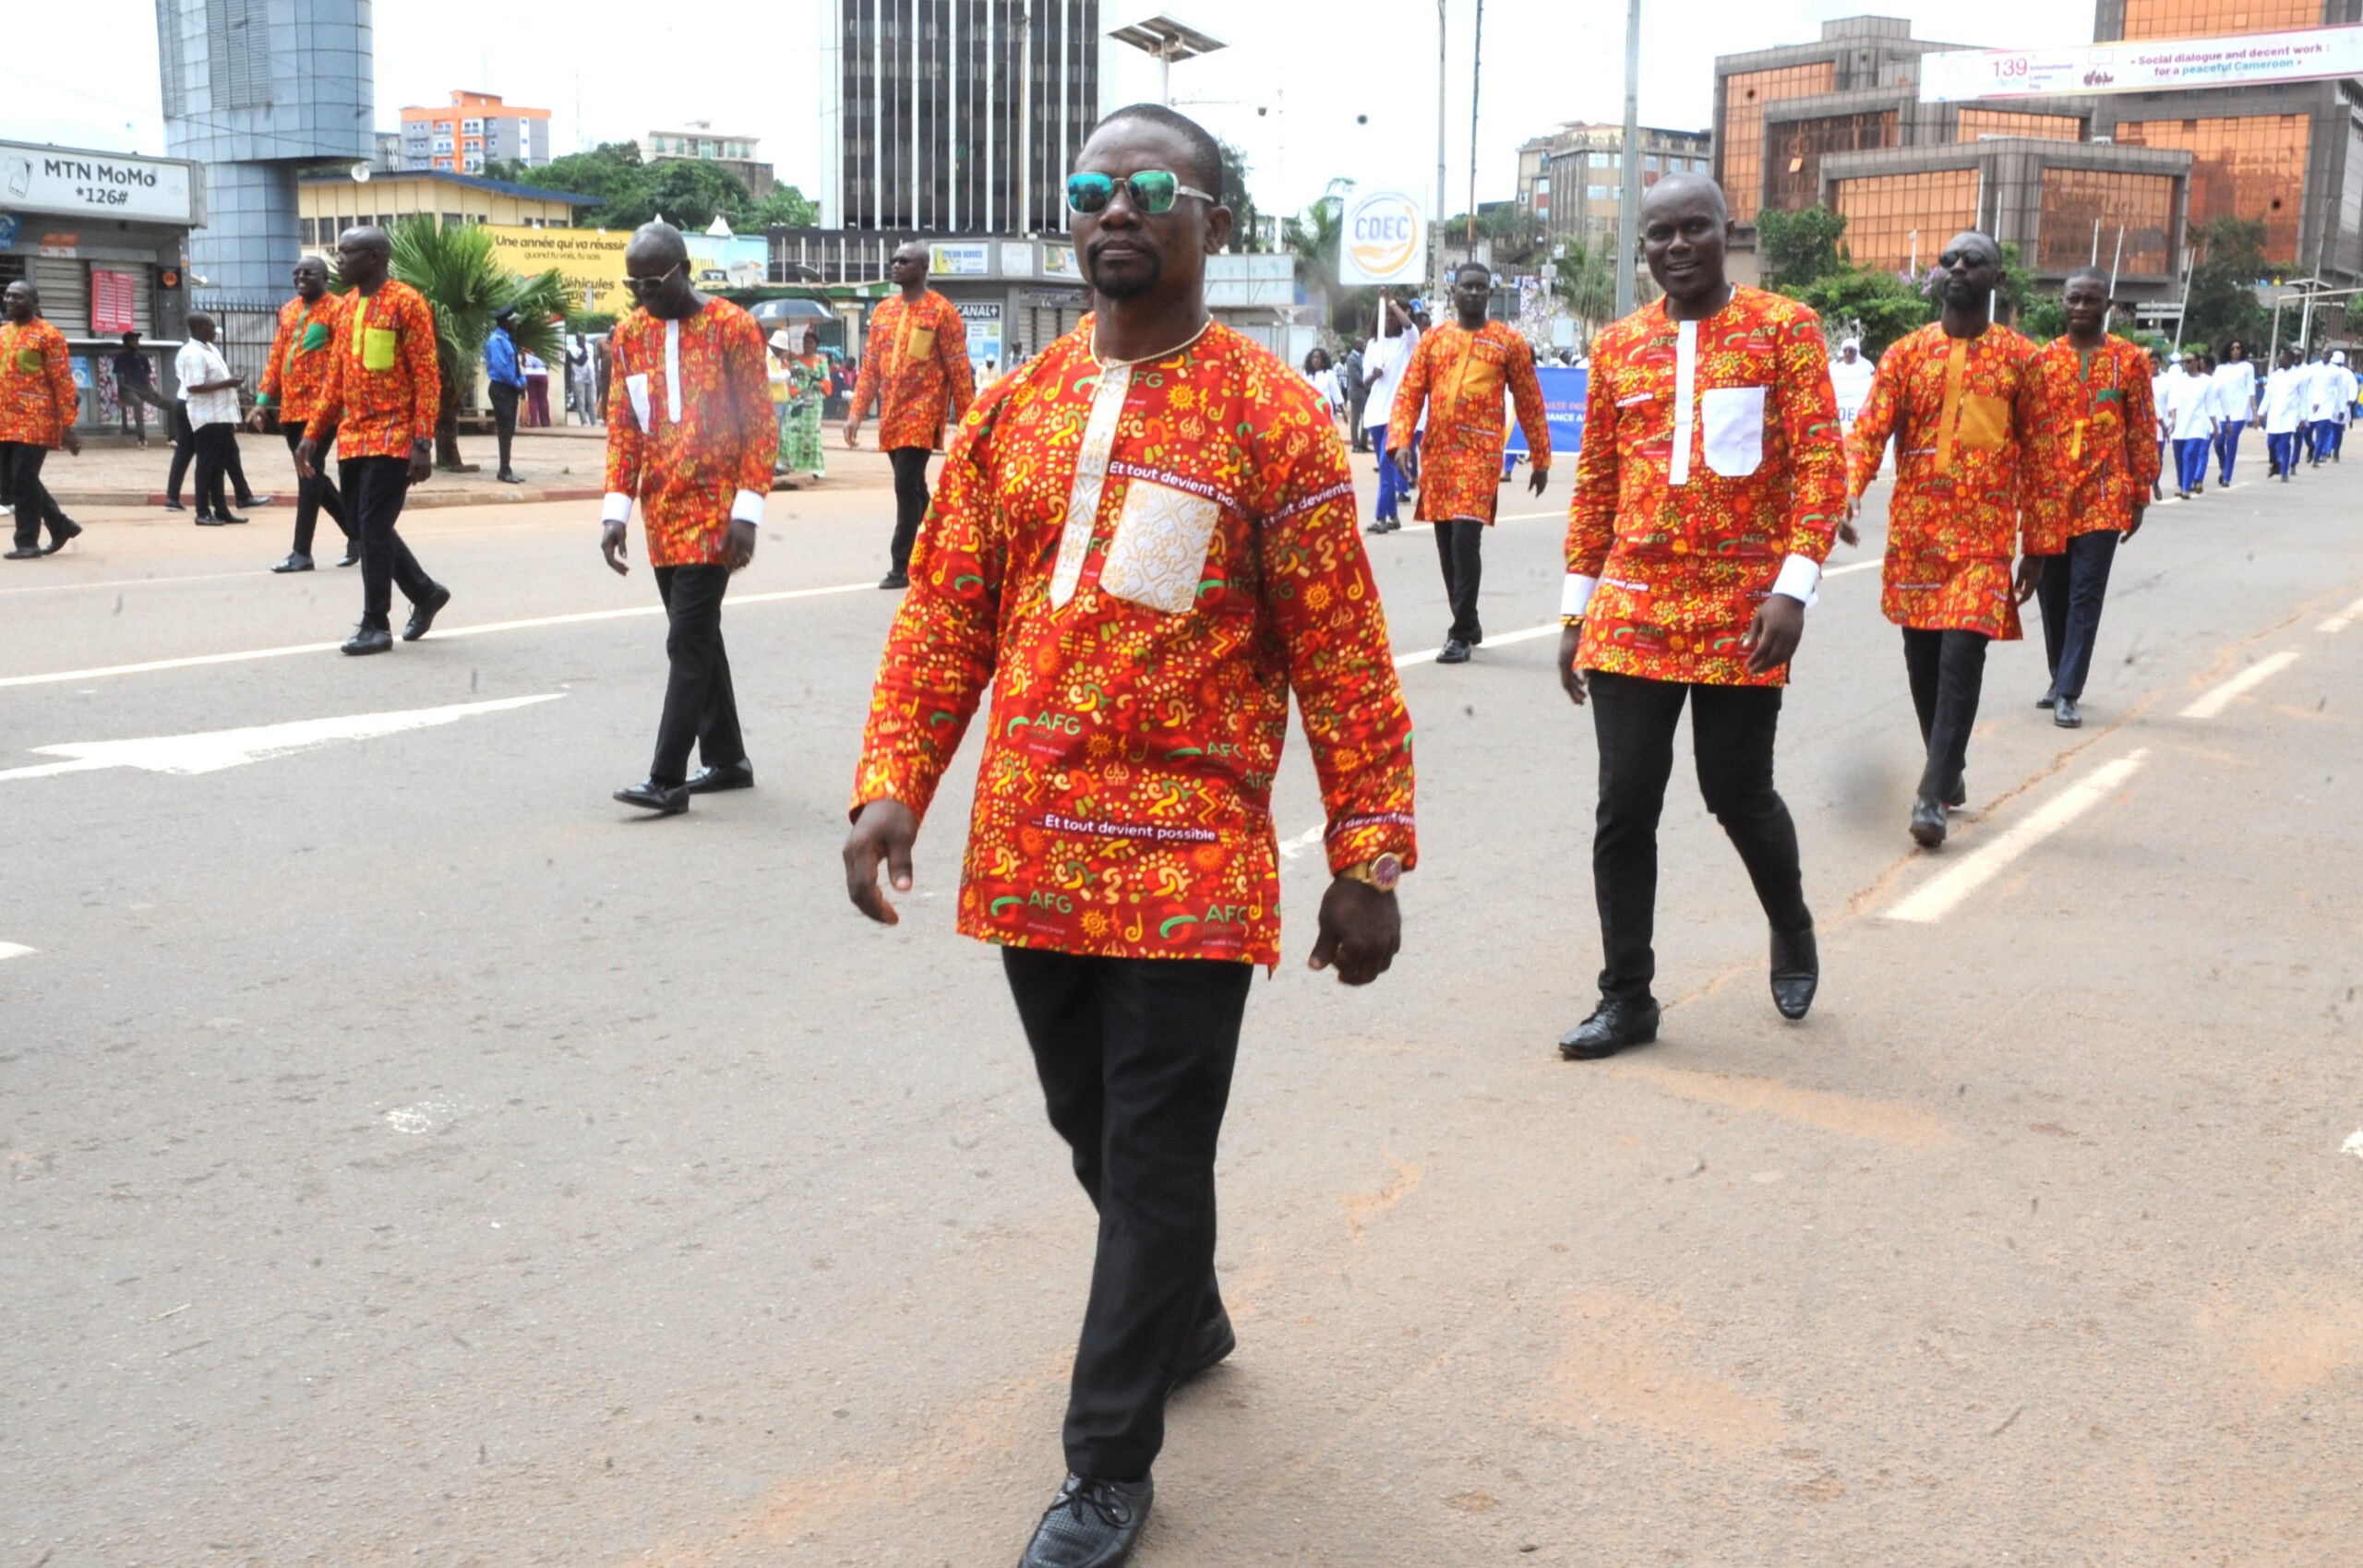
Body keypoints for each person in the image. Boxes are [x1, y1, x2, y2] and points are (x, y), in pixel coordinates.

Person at [843, 103, 1415, 1568]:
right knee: (1089, 1125)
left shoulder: (1271, 417)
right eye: (1094, 186)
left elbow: (1343, 651)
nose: (1117, 208)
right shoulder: (1017, 405)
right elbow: (947, 610)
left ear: (1213, 224)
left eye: (1153, 187)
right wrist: (895, 779)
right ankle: (1188, 1307)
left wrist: (1367, 854)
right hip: (1031, 846)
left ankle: (1106, 1463)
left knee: (1154, 1152)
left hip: (1192, 862)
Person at [1555, 172, 1841, 1060]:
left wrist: (1793, 588)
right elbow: (1596, 482)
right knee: (1624, 808)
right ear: (1641, 246)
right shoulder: (1617, 347)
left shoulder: (1784, 329)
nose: (1677, 246)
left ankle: (1790, 920)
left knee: (1736, 791)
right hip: (1632, 607)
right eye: (1659, 234)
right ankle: (1626, 997)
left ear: (1727, 231)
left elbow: (1822, 465)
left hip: (1744, 609)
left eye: (1694, 228)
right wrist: (1575, 609)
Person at [1844, 229, 2042, 850]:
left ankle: (1931, 795)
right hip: (1916, 538)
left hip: (1983, 542)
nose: (1958, 267)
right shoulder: (1905, 355)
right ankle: (1947, 765)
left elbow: (2041, 458)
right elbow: (1867, 432)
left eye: (1973, 260)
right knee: (1924, 663)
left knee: (1962, 656)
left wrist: (2038, 543)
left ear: (1996, 278)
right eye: (1949, 260)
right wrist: (1848, 488)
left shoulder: (2022, 360)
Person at [599, 221, 775, 817]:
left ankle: (666, 778)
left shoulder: (733, 327)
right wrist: (616, 511)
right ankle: (727, 759)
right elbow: (625, 429)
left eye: (653, 282)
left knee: (686, 641)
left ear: (684, 271)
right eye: (634, 285)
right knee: (698, 634)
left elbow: (759, 423)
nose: (643, 294)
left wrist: (747, 511)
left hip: (717, 510)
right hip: (663, 511)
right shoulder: (630, 336)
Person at [297, 224, 451, 657]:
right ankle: (425, 592)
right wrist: (312, 434)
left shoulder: (407, 302)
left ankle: (375, 623)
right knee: (365, 526)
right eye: (338, 251)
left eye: (347, 252)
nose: (339, 259)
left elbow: (427, 376)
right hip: (353, 437)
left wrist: (423, 441)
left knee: (372, 526)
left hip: (394, 435)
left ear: (376, 258)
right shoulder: (345, 307)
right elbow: (335, 380)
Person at [1386, 259, 1550, 663]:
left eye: (1481, 287)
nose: (1474, 292)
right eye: (1467, 286)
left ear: (1489, 294)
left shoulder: (1508, 342)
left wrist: (1541, 458)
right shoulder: (1433, 340)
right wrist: (1400, 441)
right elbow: (1409, 393)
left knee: (1464, 540)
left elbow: (1530, 400)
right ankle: (1469, 619)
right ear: (1454, 292)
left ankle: (1459, 633)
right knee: (1446, 543)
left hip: (1480, 457)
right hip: (1439, 455)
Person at [2024, 267, 2157, 731]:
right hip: (2051, 498)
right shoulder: (2042, 361)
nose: (2081, 307)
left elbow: (2141, 428)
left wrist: (2140, 494)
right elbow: (2028, 433)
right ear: (2062, 302)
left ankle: (2068, 691)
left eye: (2091, 300)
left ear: (2108, 305)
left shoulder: (2130, 360)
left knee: (2085, 594)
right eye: (2074, 298)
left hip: (2105, 495)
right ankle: (2057, 674)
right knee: (2052, 594)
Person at [846, 241, 974, 590]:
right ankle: (943, 543)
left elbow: (959, 371)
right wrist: (856, 414)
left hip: (923, 413)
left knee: (905, 486)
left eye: (904, 261)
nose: (896, 265)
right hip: (892, 415)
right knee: (915, 488)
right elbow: (870, 368)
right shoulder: (883, 312)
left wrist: (969, 423)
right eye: (894, 260)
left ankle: (900, 565)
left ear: (923, 268)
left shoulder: (942, 312)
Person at [250, 255, 356, 573]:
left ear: (325, 278)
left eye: (308, 273)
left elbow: (346, 360)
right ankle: (358, 535)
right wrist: (262, 400)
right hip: (291, 407)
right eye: (297, 273)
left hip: (324, 407)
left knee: (309, 472)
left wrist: (345, 405)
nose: (300, 278)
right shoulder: (288, 310)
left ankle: (301, 552)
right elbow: (277, 356)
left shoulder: (339, 309)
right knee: (311, 474)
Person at [0, 279, 87, 559]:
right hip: (4, 421)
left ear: (34, 303)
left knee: (23, 480)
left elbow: (63, 383)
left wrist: (68, 425)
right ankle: (61, 525)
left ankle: (27, 542)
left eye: (18, 297)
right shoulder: (3, 334)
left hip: (35, 421)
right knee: (16, 479)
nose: (10, 301)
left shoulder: (49, 336)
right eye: (8, 296)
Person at [174, 312, 248, 527]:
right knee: (206, 466)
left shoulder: (211, 349)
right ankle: (202, 511)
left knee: (218, 467)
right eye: (210, 327)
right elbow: (193, 386)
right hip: (207, 418)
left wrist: (229, 382)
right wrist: (227, 383)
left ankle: (221, 510)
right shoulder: (193, 354)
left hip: (222, 416)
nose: (214, 331)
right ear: (199, 328)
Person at [1359, 297, 1420, 533]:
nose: (1389, 320)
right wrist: (1374, 375)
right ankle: (1393, 516)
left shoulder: (1408, 342)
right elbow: (1365, 382)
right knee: (1385, 468)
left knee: (1386, 464)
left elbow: (1409, 326)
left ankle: (1381, 518)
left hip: (1398, 414)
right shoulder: (1373, 344)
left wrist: (1390, 301)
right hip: (1375, 413)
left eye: (1393, 316)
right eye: (1385, 316)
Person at [770, 325, 829, 486]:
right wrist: (795, 389)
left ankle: (814, 467)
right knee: (791, 432)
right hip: (796, 400)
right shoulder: (794, 359)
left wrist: (820, 385)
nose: (807, 345)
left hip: (814, 401)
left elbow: (826, 380)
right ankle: (787, 463)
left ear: (815, 345)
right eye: (805, 342)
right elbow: (786, 377)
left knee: (812, 433)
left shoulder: (821, 361)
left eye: (810, 342)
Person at [2161, 353, 2215, 498]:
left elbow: (2210, 406)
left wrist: (2215, 427)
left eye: (2189, 361)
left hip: (2198, 424)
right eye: (2184, 361)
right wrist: (2172, 420)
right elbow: (2172, 403)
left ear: (2197, 362)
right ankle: (2181, 483)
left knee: (2189, 454)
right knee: (2179, 457)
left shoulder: (2207, 381)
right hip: (2180, 424)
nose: (2186, 364)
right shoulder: (2178, 380)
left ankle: (2186, 487)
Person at [485, 305, 526, 484]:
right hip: (501, 388)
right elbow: (502, 369)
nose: (516, 323)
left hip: (509, 388)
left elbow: (514, 366)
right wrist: (518, 383)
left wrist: (522, 380)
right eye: (513, 320)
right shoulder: (496, 341)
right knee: (505, 430)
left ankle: (506, 468)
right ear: (505, 322)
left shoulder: (507, 340)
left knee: (508, 430)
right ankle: (504, 470)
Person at [112, 331, 172, 446]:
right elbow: (121, 384)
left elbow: (147, 380)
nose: (136, 343)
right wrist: (138, 391)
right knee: (138, 402)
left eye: (137, 340)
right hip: (127, 392)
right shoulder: (121, 358)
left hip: (144, 391)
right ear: (126, 344)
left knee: (171, 404)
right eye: (132, 340)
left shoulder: (143, 358)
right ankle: (142, 438)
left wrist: (152, 391)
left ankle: (172, 438)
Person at [2211, 339, 2255, 485]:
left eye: (2238, 348)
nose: (2235, 351)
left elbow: (2251, 391)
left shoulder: (2247, 367)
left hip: (2240, 411)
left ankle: (2227, 478)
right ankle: (2223, 467)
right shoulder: (2220, 369)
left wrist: (2254, 412)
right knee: (2218, 443)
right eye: (2232, 348)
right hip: (2223, 412)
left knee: (2231, 441)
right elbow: (2214, 390)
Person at [2262, 344, 2305, 480]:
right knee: (2271, 443)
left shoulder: (2298, 377)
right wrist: (2261, 412)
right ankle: (2275, 463)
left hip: (2289, 415)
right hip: (2274, 414)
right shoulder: (2274, 376)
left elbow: (2303, 398)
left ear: (2290, 360)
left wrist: (2303, 418)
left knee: (2285, 443)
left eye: (2282, 359)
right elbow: (2268, 396)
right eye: (2279, 359)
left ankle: (2284, 472)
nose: (2279, 361)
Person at [1829, 336, 1876, 432]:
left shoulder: (1864, 369)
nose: (1847, 353)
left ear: (1856, 353)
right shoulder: (1835, 368)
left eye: (1851, 351)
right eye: (1845, 350)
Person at [568, 335, 602, 426]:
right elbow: (579, 362)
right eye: (581, 339)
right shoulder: (572, 350)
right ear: (577, 340)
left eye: (584, 339)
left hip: (591, 377)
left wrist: (596, 373)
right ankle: (584, 421)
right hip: (579, 378)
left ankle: (593, 421)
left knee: (592, 400)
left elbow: (595, 360)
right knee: (581, 401)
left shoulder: (590, 347)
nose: (583, 341)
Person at [521, 347, 551, 426]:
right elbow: (548, 364)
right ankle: (545, 422)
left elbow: (523, 363)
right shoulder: (546, 346)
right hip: (542, 373)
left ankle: (533, 422)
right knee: (543, 398)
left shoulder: (525, 348)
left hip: (530, 374)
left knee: (532, 398)